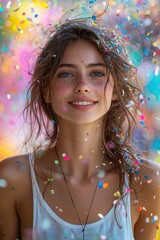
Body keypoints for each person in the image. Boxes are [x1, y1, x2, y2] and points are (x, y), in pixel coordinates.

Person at [0, 8, 160, 240]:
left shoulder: (146, 182)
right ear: (46, 90)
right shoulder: (13, 179)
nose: (83, 85)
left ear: (115, 90)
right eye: (66, 74)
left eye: (97, 73)